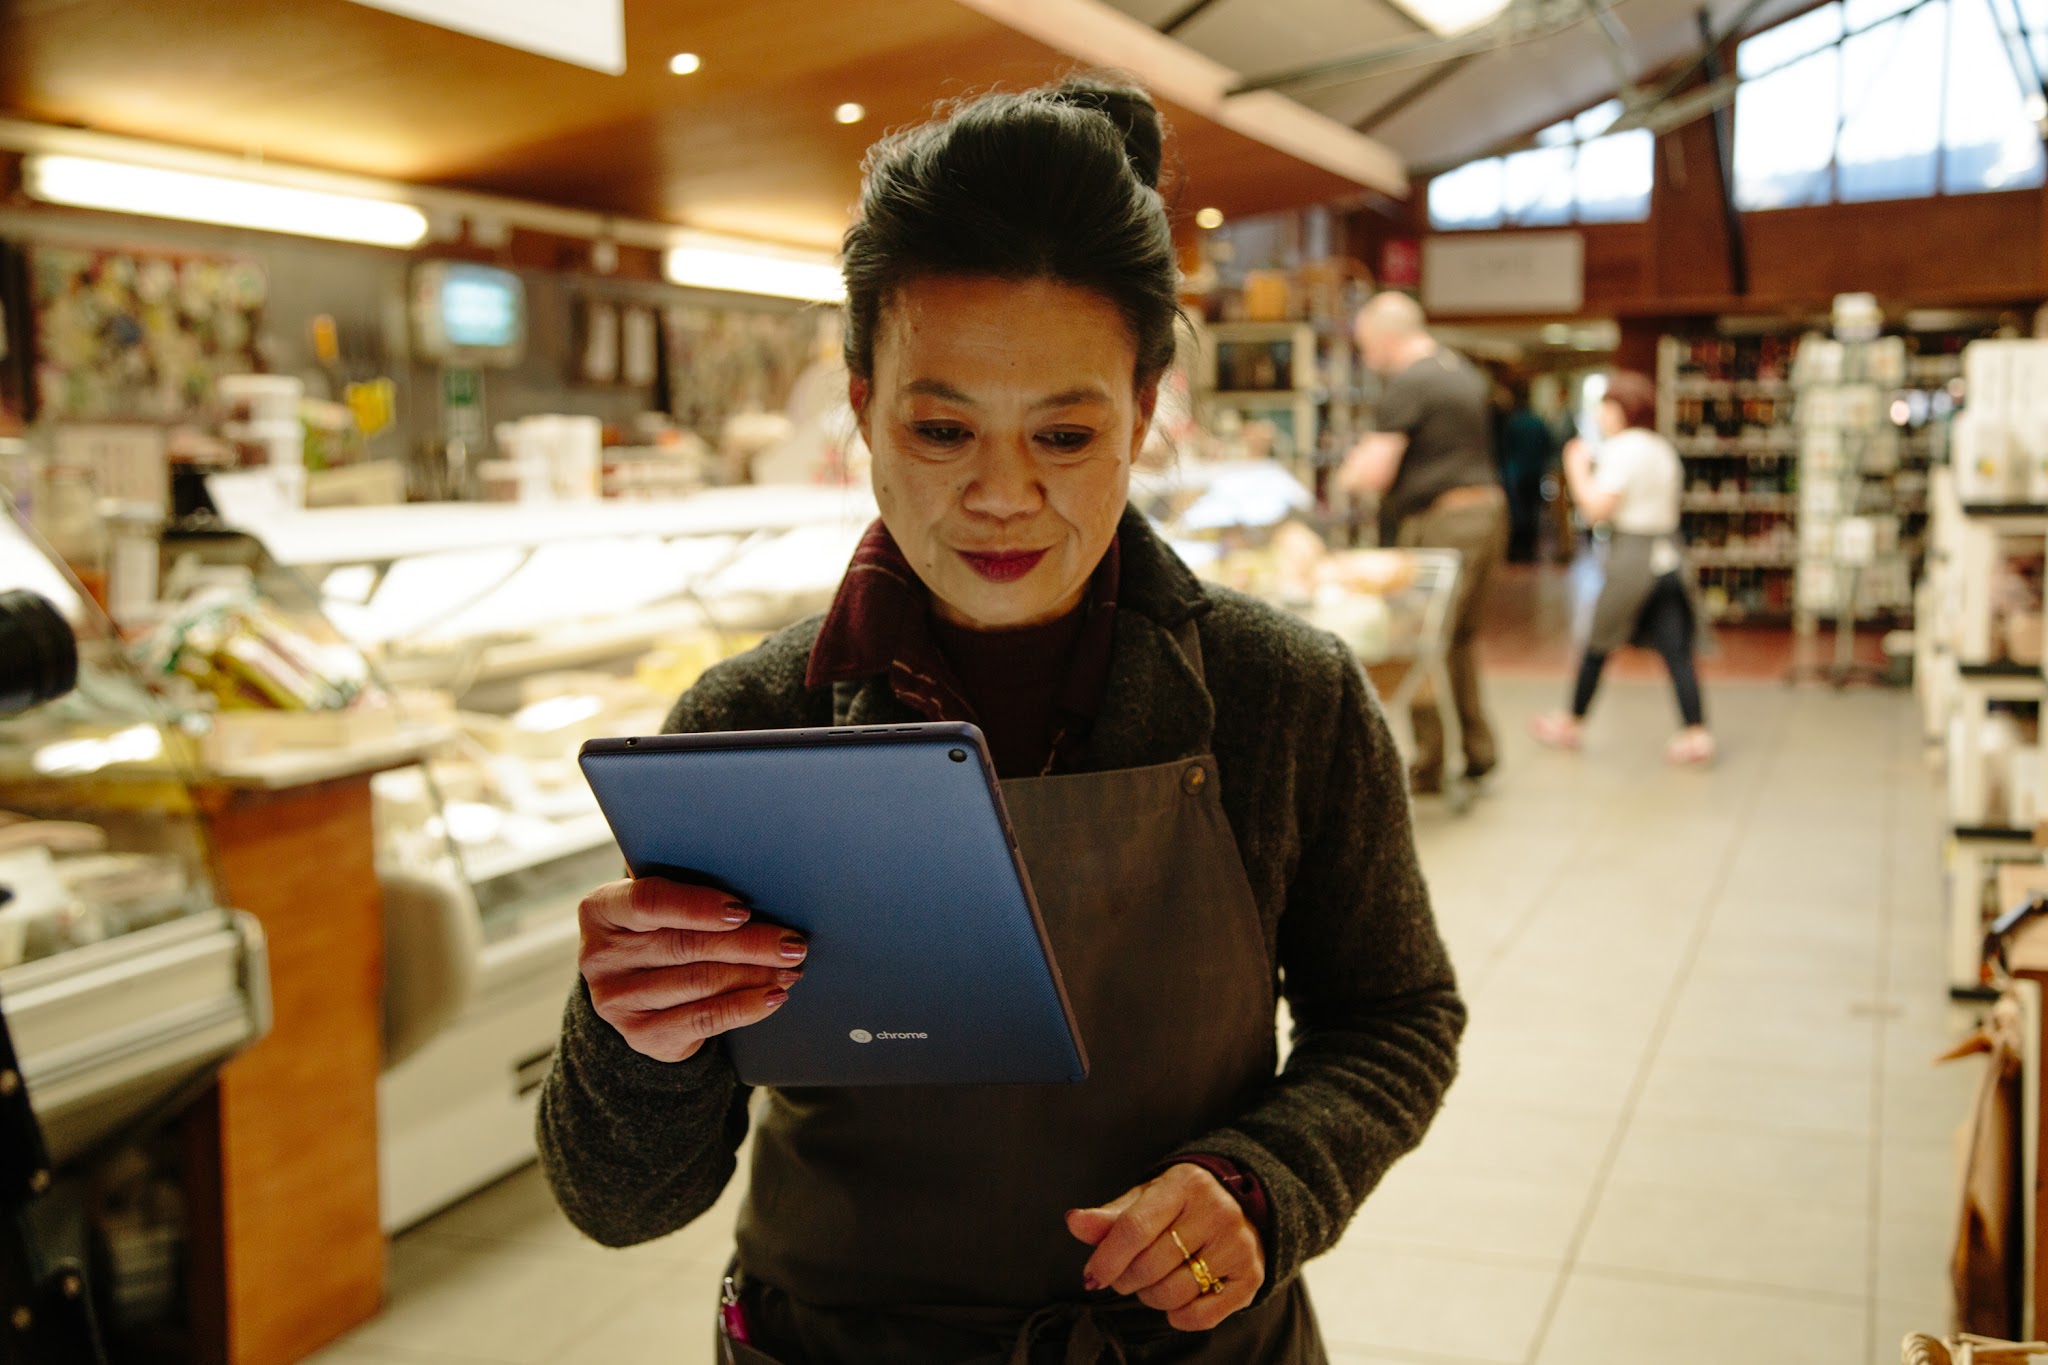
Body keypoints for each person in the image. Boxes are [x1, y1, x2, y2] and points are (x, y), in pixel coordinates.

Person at [536, 77, 1464, 1365]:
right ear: (860, 407)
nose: (1001, 496)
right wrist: (632, 1036)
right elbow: (623, 1201)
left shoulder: (1280, 697)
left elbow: (1397, 1012)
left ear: (1142, 416)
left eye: (1067, 433)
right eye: (940, 427)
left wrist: (1268, 1182)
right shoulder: (751, 724)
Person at [1338, 293, 1507, 795]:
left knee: (1421, 640)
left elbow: (1373, 470)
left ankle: (1430, 763)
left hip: (1444, 525)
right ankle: (1478, 750)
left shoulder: (1411, 382)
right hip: (1485, 517)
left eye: (1367, 347)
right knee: (1458, 639)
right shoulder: (1458, 370)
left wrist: (1344, 475)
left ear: (1388, 338)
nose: (1367, 359)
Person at [1532, 371, 1714, 764]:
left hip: (1633, 555)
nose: (1600, 415)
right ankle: (1696, 732)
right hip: (1668, 554)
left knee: (1598, 640)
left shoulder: (1623, 449)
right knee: (1677, 650)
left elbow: (1597, 509)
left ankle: (1571, 721)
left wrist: (1575, 467)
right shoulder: (1660, 447)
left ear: (1622, 409)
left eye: (1606, 407)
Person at [1497, 380, 1556, 564]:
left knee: (1516, 510)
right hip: (1534, 472)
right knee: (1532, 512)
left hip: (1515, 473)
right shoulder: (1537, 421)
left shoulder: (1513, 421)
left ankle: (1517, 550)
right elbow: (1548, 445)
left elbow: (1504, 447)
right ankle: (1530, 550)